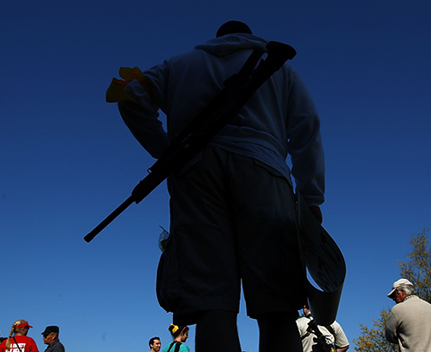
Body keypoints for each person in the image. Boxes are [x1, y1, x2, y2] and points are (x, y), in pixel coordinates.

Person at [114, 20, 324, 352]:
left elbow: (130, 95)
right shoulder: (282, 67)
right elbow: (306, 129)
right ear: (249, 36)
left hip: (195, 175)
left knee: (212, 302)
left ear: (217, 38)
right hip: (264, 173)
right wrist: (311, 197)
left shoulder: (179, 64)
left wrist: (169, 153)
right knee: (277, 304)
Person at [384, 279, 431, 352]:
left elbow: (389, 336)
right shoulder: (429, 306)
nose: (393, 299)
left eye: (394, 295)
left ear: (402, 292)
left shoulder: (398, 309)